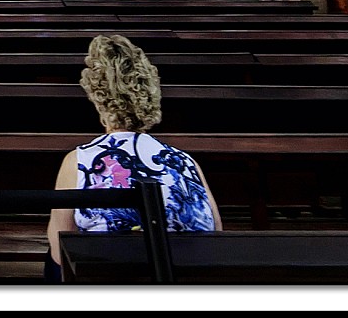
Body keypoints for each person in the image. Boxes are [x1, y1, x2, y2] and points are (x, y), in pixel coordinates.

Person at [45, 34, 219, 276]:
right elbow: (216, 235)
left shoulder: (79, 161)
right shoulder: (185, 162)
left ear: (97, 98)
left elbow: (59, 252)